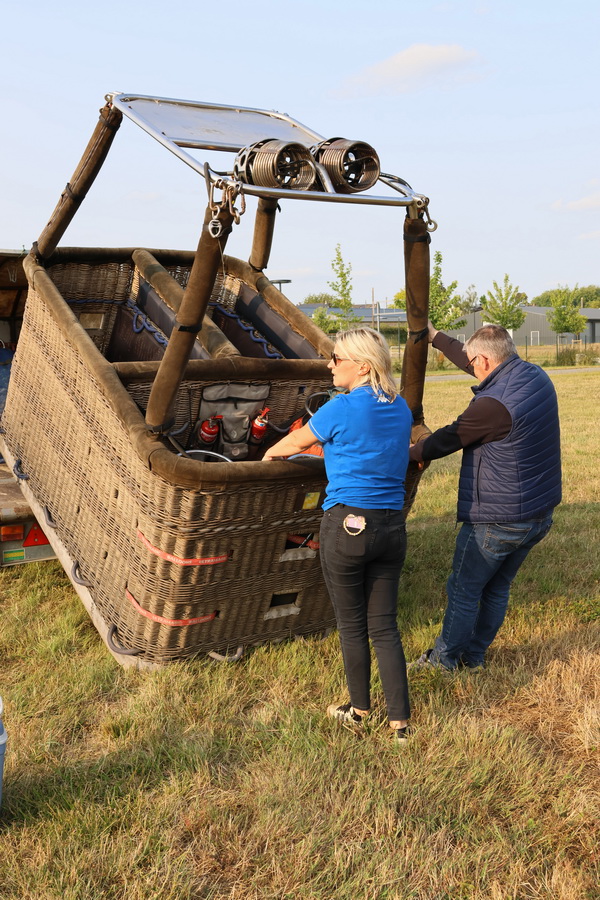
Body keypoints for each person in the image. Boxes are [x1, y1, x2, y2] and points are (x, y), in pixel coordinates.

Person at [264, 327, 413, 742]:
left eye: (336, 358)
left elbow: (289, 444)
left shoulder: (339, 408)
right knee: (384, 626)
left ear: (362, 366)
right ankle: (400, 724)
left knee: (351, 625)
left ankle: (359, 709)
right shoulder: (400, 407)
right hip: (391, 525)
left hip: (348, 526)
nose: (330, 364)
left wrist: (267, 455)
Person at [410, 321, 561, 671]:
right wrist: (436, 339)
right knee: (496, 589)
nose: (472, 368)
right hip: (538, 514)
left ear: (486, 361)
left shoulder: (493, 406)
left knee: (464, 590)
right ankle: (473, 656)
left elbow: (446, 439)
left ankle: (444, 661)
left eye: (474, 362)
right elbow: (475, 361)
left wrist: (412, 453)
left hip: (498, 519)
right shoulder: (534, 375)